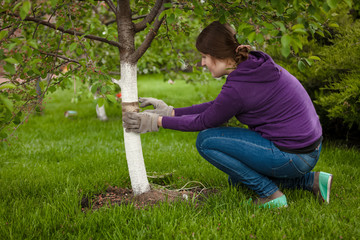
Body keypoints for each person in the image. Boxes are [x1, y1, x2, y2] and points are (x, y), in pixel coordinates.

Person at [123, 21, 333, 208]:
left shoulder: (239, 86)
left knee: (207, 140)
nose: (202, 63)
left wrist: (157, 121)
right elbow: (219, 106)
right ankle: (312, 181)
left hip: (293, 156)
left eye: (205, 57)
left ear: (219, 55)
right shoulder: (253, 65)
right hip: (306, 150)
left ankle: (271, 196)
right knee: (237, 178)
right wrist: (172, 111)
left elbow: (205, 121)